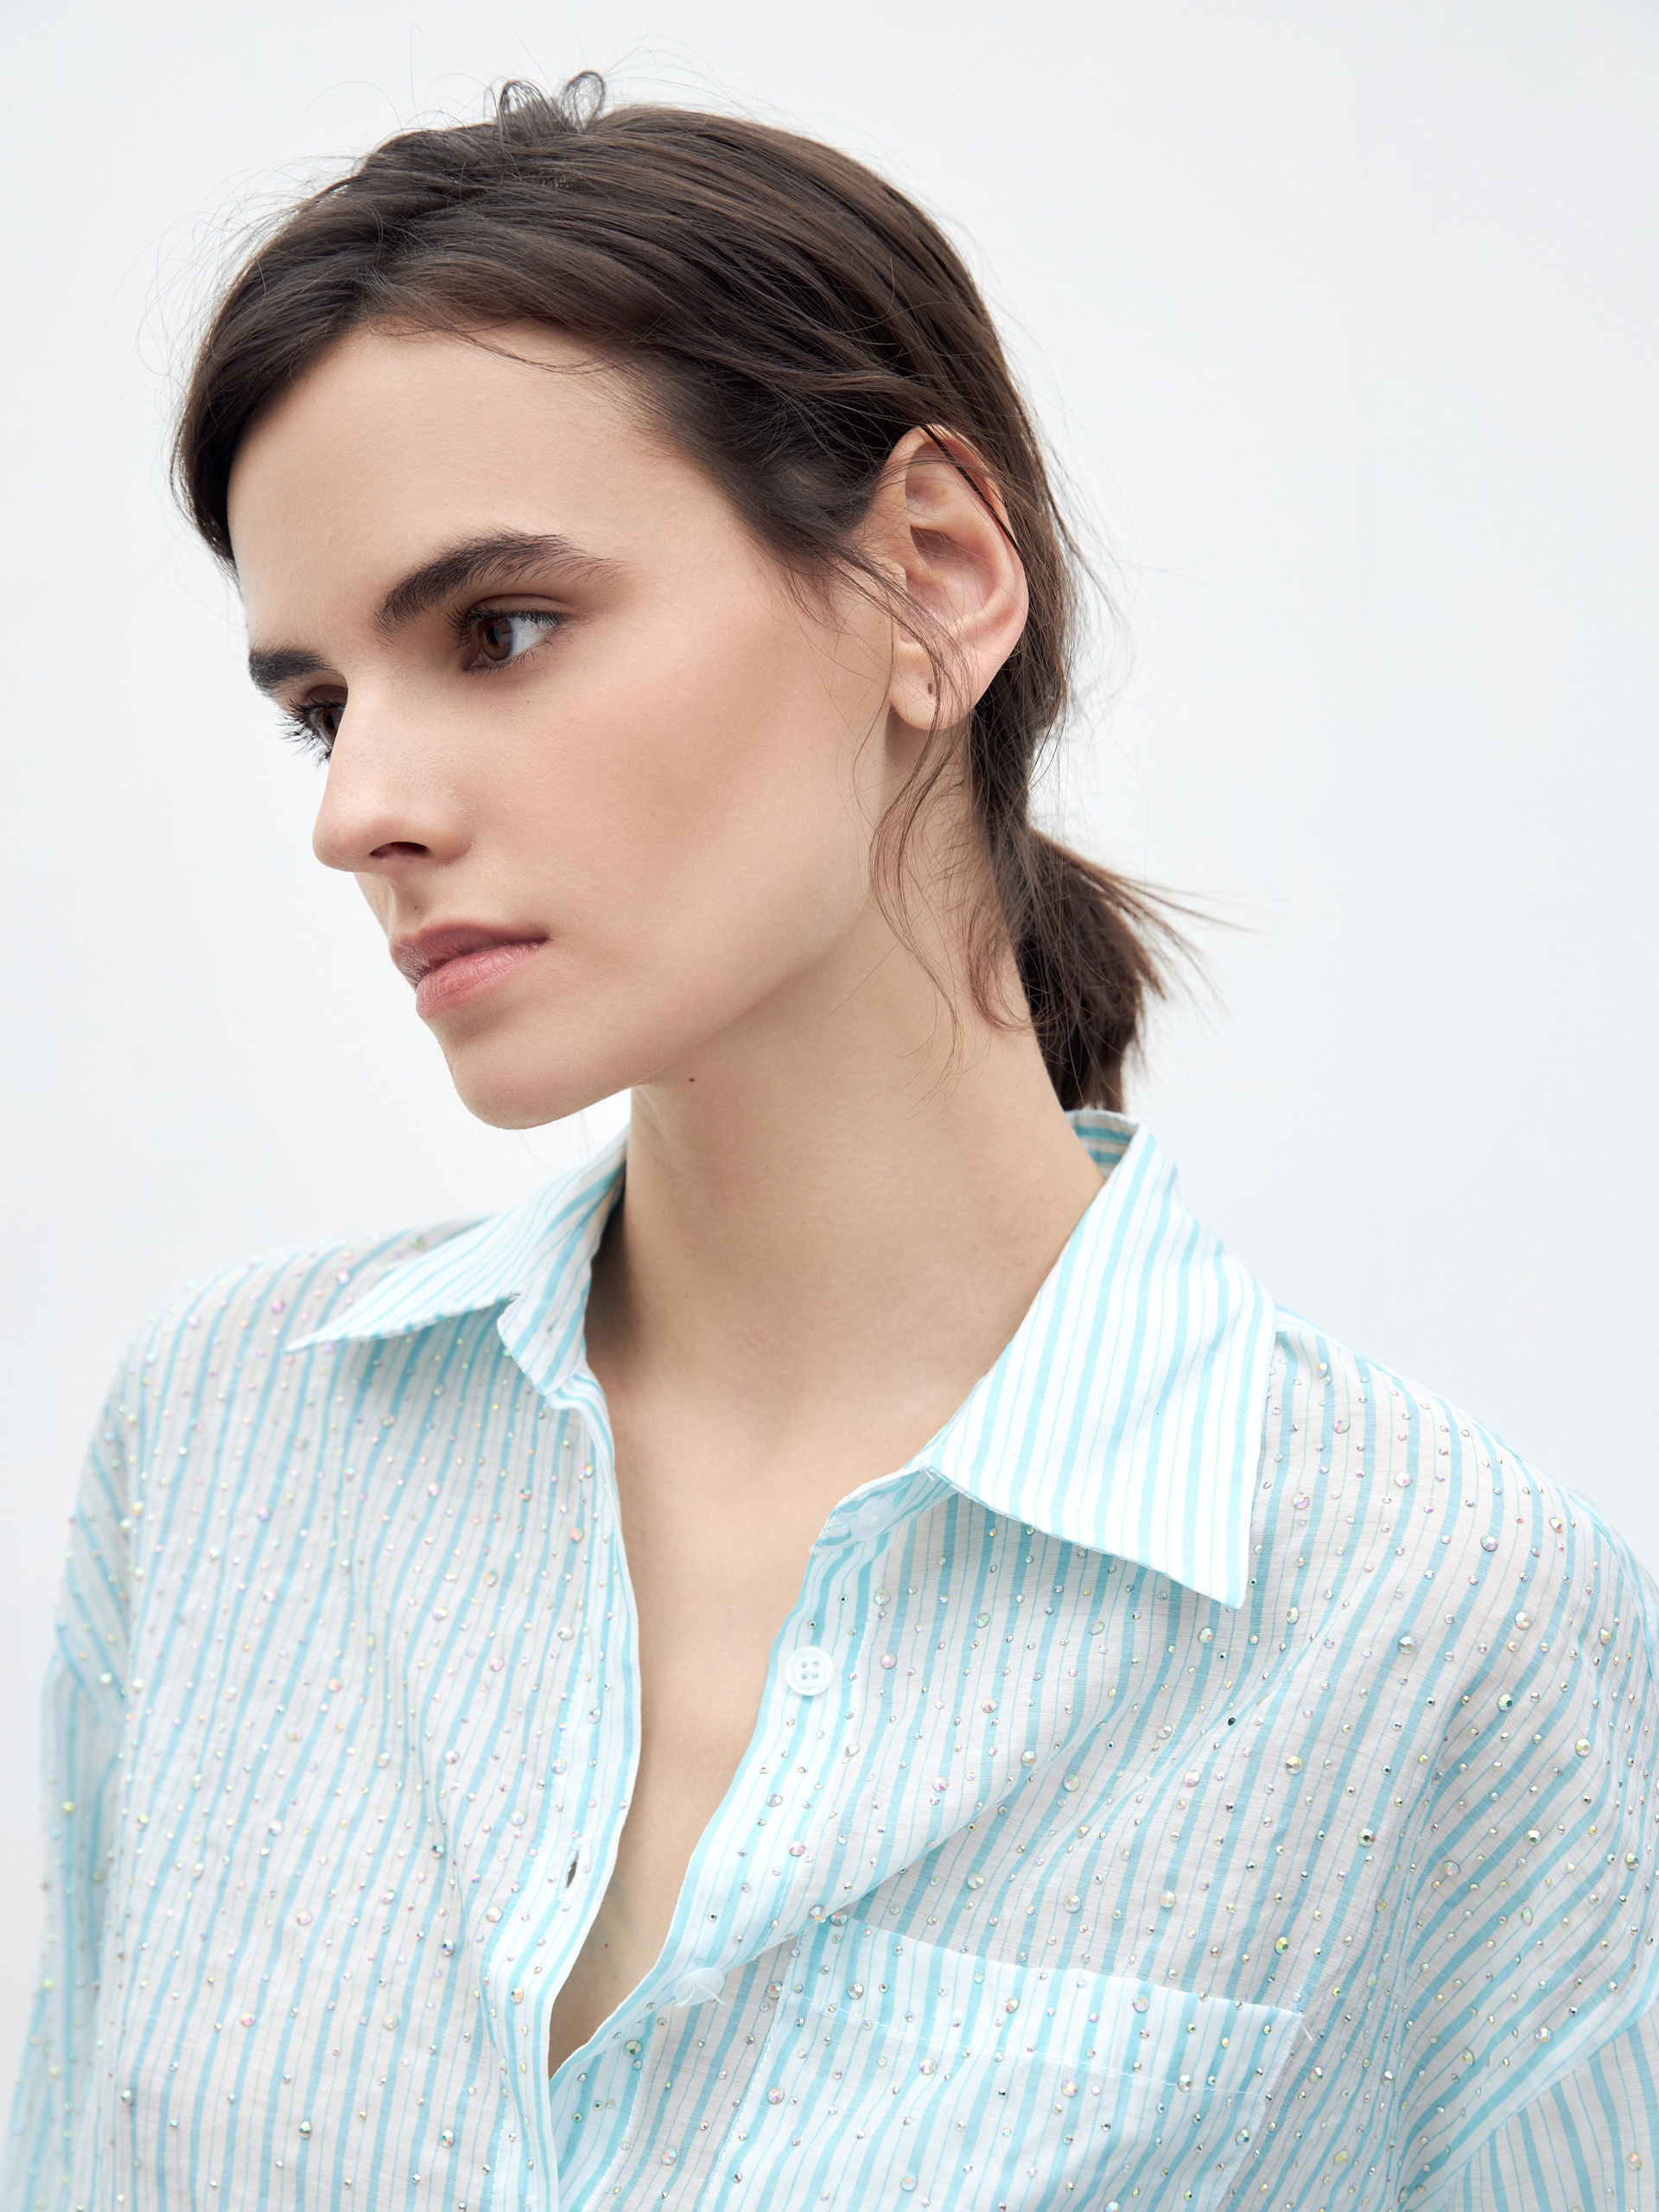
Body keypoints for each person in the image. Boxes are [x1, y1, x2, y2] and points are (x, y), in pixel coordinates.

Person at [7, 74, 1656, 2212]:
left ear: (935, 577)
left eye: (502, 629)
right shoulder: (223, 1443)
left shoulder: (1439, 1624)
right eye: (324, 706)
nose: (358, 810)